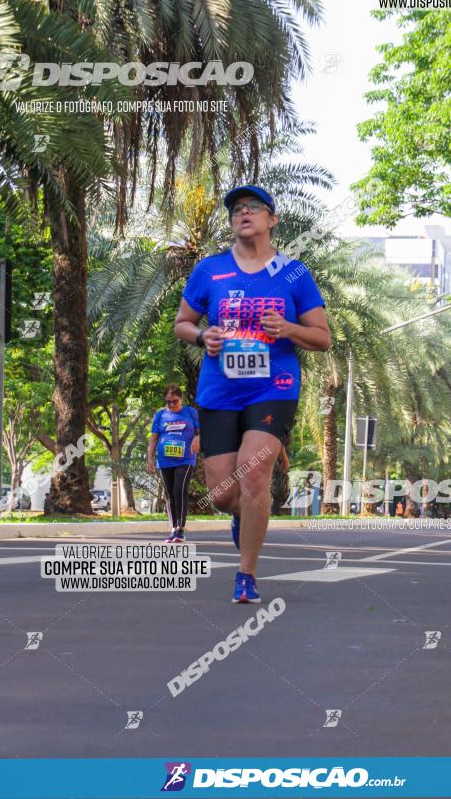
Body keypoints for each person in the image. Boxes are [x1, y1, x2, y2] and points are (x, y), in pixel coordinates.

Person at [173, 185, 331, 602]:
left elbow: (323, 338)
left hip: (273, 387)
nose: (243, 213)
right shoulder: (210, 270)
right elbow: (182, 323)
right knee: (225, 493)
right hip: (218, 391)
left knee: (254, 474)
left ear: (272, 219)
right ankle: (245, 516)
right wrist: (202, 334)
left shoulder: (293, 274)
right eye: (236, 210)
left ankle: (247, 575)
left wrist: (289, 329)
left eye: (253, 208)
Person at [147, 384, 200, 542]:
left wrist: (197, 438)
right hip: (165, 461)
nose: (171, 405)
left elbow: (200, 432)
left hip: (186, 459)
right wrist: (150, 458)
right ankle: (173, 529)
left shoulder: (190, 412)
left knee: (179, 489)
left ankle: (180, 529)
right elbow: (154, 438)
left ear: (181, 399)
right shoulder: (160, 415)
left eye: (174, 401)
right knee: (170, 494)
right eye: (168, 401)